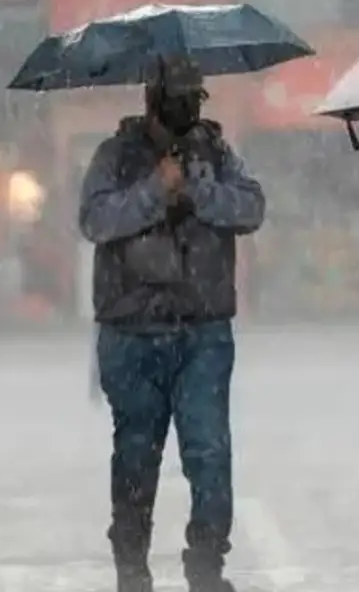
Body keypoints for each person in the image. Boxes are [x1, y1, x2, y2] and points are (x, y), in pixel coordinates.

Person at [78, 53, 265, 592]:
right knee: (136, 454)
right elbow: (95, 220)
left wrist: (198, 191)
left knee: (209, 450)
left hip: (204, 329)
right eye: (179, 92)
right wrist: (156, 190)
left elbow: (251, 208)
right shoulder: (114, 156)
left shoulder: (218, 151)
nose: (188, 103)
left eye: (195, 93)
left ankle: (207, 562)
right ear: (152, 96)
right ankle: (131, 565)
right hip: (130, 332)